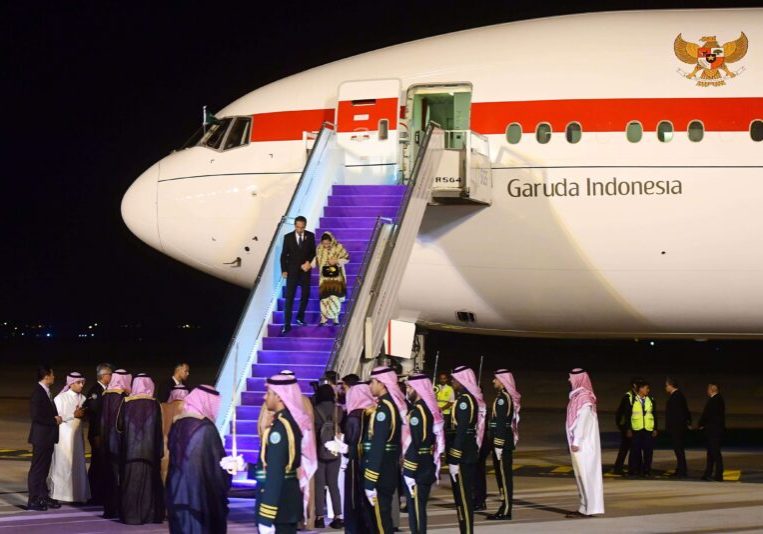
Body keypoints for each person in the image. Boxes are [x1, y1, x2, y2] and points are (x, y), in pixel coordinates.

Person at [166, 385, 233, 533]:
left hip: (176, 495)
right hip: (199, 501)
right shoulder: (207, 428)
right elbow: (217, 469)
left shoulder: (177, 423)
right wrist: (229, 470)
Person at [256, 374, 308, 534]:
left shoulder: (279, 428)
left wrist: (266, 516)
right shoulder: (288, 422)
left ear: (279, 396)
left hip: (279, 507)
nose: (265, 397)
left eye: (269, 393)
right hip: (287, 504)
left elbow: (276, 472)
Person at [326, 381, 375, 534]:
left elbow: (351, 445)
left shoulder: (354, 416)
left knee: (354, 503)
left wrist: (343, 447)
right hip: (371, 465)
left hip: (356, 467)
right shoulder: (372, 413)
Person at [117, 373, 164, 524]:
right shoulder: (155, 404)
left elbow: (119, 427)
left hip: (130, 453)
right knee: (149, 485)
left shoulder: (126, 402)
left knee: (131, 484)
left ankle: (131, 517)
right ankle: (148, 516)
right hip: (150, 454)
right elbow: (158, 430)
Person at [364, 366, 405, 534]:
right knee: (383, 516)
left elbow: (378, 446)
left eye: (372, 382)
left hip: (381, 470)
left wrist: (370, 480)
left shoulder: (383, 410)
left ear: (381, 384)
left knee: (381, 521)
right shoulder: (391, 405)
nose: (370, 386)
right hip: (389, 466)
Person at [403, 374, 445, 534]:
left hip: (417, 466)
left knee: (416, 509)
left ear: (417, 389)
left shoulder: (418, 412)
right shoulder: (429, 408)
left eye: (409, 388)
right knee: (419, 506)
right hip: (427, 461)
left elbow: (416, 442)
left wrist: (409, 470)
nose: (407, 391)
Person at [448, 365, 485, 534]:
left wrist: (454, 457)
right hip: (468, 450)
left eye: (454, 379)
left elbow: (462, 430)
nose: (452, 382)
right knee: (463, 497)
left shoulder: (464, 401)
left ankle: (467, 530)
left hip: (463, 453)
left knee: (463, 497)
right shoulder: (467, 399)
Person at [565, 368, 604, 519]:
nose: (569, 380)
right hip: (579, 445)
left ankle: (589, 508)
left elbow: (582, 422)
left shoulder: (585, 399)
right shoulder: (578, 397)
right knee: (581, 476)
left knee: (586, 476)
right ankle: (584, 507)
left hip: (583, 446)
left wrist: (577, 441)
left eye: (571, 378)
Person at [48, 372, 89, 504]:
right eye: (78, 382)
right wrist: (74, 414)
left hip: (77, 438)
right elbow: (58, 418)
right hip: (64, 437)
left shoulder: (83, 398)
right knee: (63, 464)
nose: (81, 385)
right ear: (71, 384)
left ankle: (77, 495)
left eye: (82, 382)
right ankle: (58, 495)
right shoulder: (61, 398)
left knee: (77, 464)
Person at [27, 365, 62, 511]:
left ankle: (42, 495)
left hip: (47, 437)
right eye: (52, 374)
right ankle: (33, 499)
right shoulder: (38, 392)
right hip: (41, 437)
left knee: (44, 469)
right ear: (46, 376)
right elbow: (36, 416)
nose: (54, 377)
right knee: (37, 469)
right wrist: (54, 420)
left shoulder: (46, 392)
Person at [487, 369, 521, 521]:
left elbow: (501, 422)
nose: (493, 381)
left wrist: (498, 444)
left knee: (505, 476)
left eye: (496, 379)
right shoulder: (502, 397)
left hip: (502, 442)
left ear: (502, 380)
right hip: (499, 441)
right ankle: (503, 506)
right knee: (501, 476)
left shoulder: (503, 398)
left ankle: (506, 509)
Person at [100, 368, 131, 519]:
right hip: (118, 442)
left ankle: (108, 509)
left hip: (105, 442)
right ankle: (119, 508)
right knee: (120, 478)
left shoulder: (105, 396)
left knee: (108, 477)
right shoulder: (123, 397)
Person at [313, 384, 344, 529]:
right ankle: (338, 516)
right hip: (335, 450)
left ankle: (319, 517)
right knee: (333, 484)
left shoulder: (315, 409)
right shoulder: (338, 410)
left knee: (319, 486)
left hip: (318, 449)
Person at [280, 215, 316, 334]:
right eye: (297, 227)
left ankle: (300, 317)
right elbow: (283, 255)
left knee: (305, 295)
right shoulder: (288, 237)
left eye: (301, 227)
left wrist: (308, 262)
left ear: (305, 226)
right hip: (292, 272)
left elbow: (313, 253)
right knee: (289, 298)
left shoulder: (310, 236)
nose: (299, 230)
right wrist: (284, 270)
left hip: (305, 271)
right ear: (295, 225)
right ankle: (287, 324)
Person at [83, 363, 112, 504]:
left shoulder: (106, 390)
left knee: (101, 463)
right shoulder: (96, 391)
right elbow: (95, 413)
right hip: (97, 433)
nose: (111, 377)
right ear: (103, 376)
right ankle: (93, 494)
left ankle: (100, 492)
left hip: (102, 433)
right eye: (109, 374)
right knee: (97, 464)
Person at [314, 231, 350, 326]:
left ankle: (335, 318)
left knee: (335, 297)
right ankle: (323, 319)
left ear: (331, 241)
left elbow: (347, 258)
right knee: (324, 298)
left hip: (335, 277)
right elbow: (316, 260)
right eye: (324, 243)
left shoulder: (338, 247)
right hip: (324, 277)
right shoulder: (319, 248)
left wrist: (336, 261)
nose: (325, 245)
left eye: (327, 243)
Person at [628, 380, 658, 477]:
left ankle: (647, 471)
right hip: (637, 429)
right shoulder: (632, 400)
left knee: (648, 452)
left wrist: (655, 428)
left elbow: (654, 414)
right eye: (646, 388)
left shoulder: (651, 399)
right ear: (640, 389)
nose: (648, 390)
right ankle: (635, 470)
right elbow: (628, 415)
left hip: (648, 429)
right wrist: (628, 429)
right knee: (635, 451)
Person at [161, 385, 189, 483]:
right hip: (181, 445)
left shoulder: (163, 406)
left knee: (164, 474)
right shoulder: (187, 408)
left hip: (164, 445)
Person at [698, 381, 725, 481]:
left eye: (708, 388)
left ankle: (718, 474)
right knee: (711, 453)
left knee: (715, 453)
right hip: (713, 431)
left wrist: (701, 424)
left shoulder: (716, 400)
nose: (707, 391)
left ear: (712, 389)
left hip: (714, 431)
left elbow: (708, 414)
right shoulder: (717, 400)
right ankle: (708, 473)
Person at [664, 377, 691, 478]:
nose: (665, 388)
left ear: (671, 385)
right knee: (678, 449)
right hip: (678, 428)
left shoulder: (676, 396)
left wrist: (673, 427)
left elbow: (677, 414)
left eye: (666, 385)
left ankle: (682, 470)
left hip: (677, 428)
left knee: (678, 450)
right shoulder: (678, 396)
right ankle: (680, 468)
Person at [612, 377, 640, 474]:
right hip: (627, 427)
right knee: (625, 447)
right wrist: (627, 429)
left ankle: (628, 467)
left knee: (630, 447)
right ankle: (619, 468)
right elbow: (627, 414)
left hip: (633, 426)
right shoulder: (628, 397)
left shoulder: (637, 396)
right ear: (635, 386)